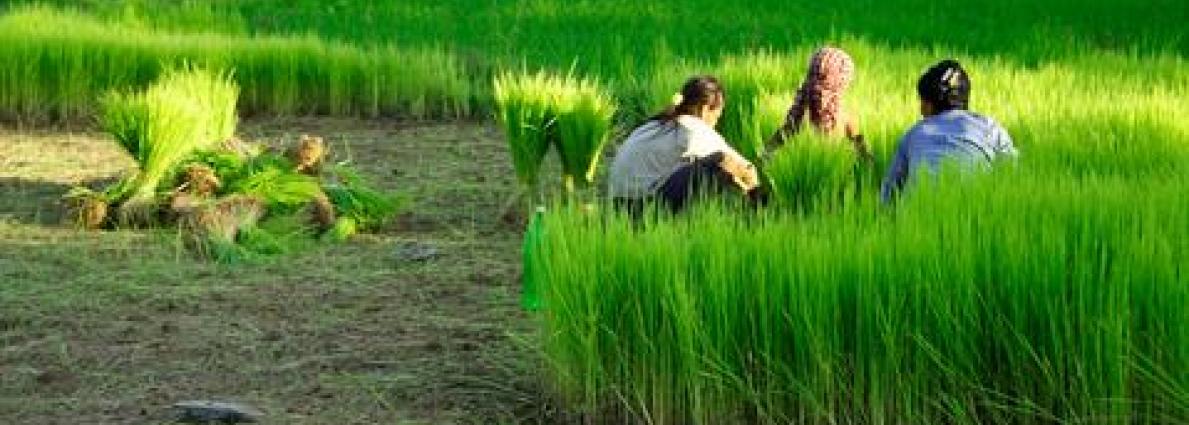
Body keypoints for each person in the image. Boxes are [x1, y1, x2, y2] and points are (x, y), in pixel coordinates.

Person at [608, 75, 759, 215]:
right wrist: (757, 196)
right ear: (706, 109)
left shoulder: (653, 124)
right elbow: (745, 167)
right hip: (646, 209)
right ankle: (755, 218)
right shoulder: (694, 127)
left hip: (616, 207)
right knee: (719, 162)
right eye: (717, 116)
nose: (715, 123)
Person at [880, 59, 1018, 203]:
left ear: (931, 104)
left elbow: (889, 189)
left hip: (916, 216)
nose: (921, 110)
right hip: (975, 212)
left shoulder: (914, 133)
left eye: (923, 102)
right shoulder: (990, 127)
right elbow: (1013, 175)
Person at [769, 47, 872, 162]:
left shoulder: (800, 113)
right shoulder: (843, 116)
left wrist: (763, 158)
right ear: (841, 83)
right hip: (835, 173)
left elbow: (777, 141)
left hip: (800, 171)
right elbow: (861, 147)